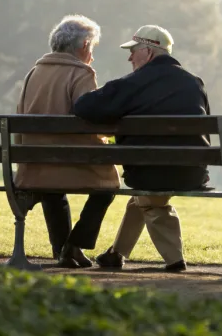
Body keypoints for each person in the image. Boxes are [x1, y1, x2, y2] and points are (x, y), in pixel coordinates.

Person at [72, 25, 210, 272]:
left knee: (151, 200)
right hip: (193, 172)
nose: (130, 57)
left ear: (148, 51)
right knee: (142, 198)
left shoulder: (134, 84)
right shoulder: (194, 83)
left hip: (149, 172)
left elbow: (84, 106)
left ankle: (175, 260)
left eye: (134, 50)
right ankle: (115, 254)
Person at [15, 15, 119, 268]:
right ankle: (73, 245)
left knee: (53, 190)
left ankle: (62, 249)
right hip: (72, 161)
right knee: (108, 186)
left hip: (35, 164)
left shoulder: (34, 72)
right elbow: (89, 119)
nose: (92, 56)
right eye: (91, 48)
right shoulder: (81, 73)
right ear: (84, 45)